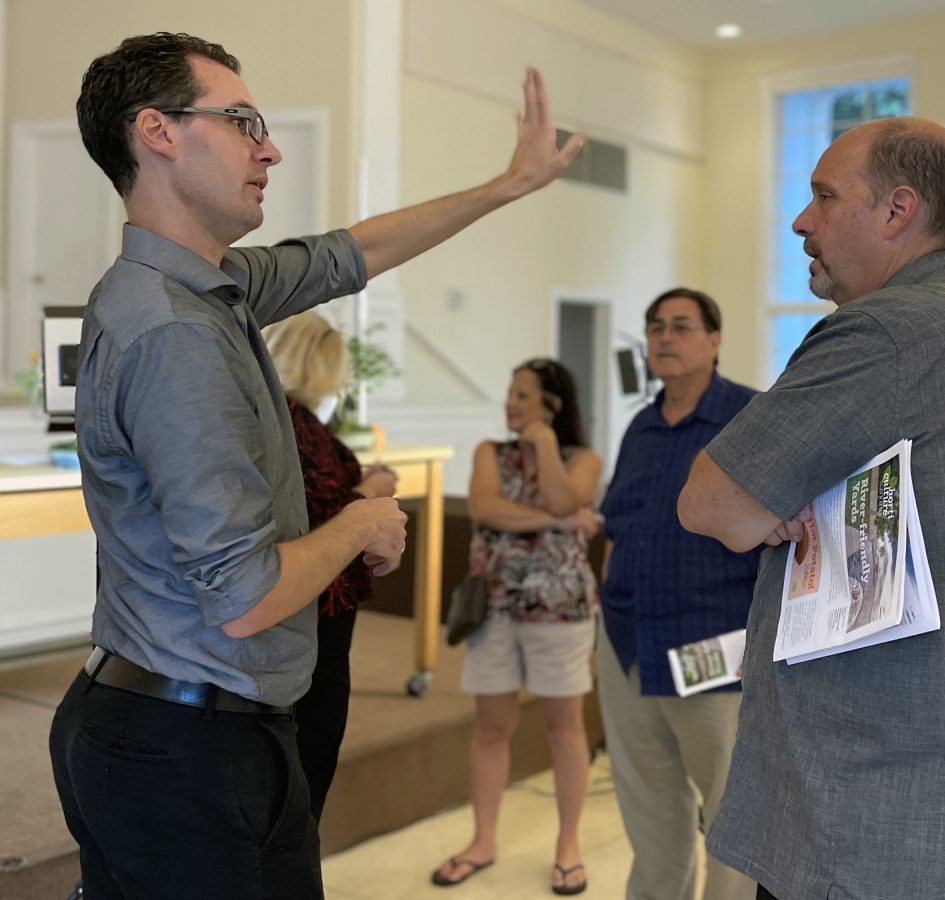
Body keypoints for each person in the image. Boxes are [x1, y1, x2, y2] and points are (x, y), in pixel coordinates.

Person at [49, 32, 583, 900]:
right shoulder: (177, 331)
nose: (270, 146)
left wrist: (506, 186)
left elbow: (347, 255)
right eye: (242, 121)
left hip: (157, 727)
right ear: (157, 132)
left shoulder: (194, 287)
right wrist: (360, 522)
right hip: (191, 754)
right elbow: (246, 592)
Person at [678, 118, 945, 900]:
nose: (802, 222)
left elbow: (712, 505)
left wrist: (774, 499)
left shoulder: (888, 330)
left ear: (898, 211)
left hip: (890, 821)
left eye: (824, 197)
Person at [597, 288, 758, 900]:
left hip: (715, 652)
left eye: (681, 327)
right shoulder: (640, 424)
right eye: (656, 327)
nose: (664, 338)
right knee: (650, 817)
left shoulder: (751, 418)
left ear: (714, 341)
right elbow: (617, 524)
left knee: (730, 823)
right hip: (628, 647)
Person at [433, 358, 601, 895]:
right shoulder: (490, 453)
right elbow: (484, 508)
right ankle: (482, 841)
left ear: (551, 405)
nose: (509, 403)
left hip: (562, 611)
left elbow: (563, 495)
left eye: (523, 396)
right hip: (496, 609)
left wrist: (544, 447)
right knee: (490, 728)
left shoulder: (585, 459)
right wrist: (559, 521)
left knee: (564, 729)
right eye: (509, 393)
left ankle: (567, 847)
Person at [263, 311, 398, 820]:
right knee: (304, 774)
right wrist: (373, 491)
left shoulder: (276, 421)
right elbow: (320, 521)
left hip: (298, 617)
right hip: (314, 619)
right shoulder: (294, 424)